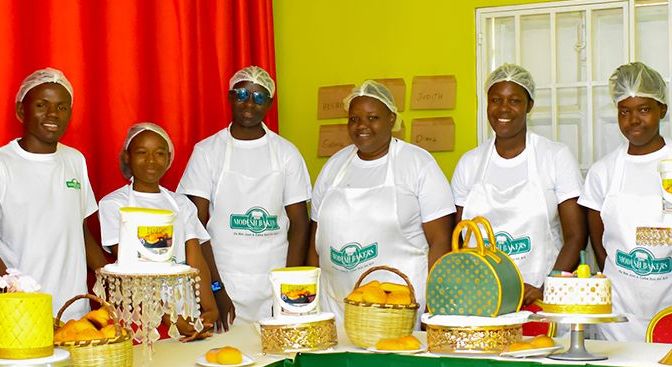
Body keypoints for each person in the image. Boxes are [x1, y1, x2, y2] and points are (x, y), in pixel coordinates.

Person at [0, 69, 108, 321]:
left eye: (62, 107)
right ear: (21, 110)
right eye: (41, 105)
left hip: (74, 310)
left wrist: (110, 277)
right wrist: (18, 297)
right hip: (22, 312)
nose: (52, 114)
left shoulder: (75, 160)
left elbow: (80, 230)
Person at [179, 66, 312, 325]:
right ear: (230, 97)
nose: (249, 103)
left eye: (259, 97)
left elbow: (300, 225)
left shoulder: (286, 153)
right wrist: (215, 288)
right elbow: (195, 226)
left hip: (274, 282)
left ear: (269, 104)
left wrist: (288, 290)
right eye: (241, 94)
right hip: (223, 278)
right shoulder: (207, 151)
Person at [310, 80, 455, 315]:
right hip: (335, 307)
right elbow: (315, 240)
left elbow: (441, 240)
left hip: (399, 310)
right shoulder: (334, 166)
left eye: (373, 118)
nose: (362, 125)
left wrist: (434, 307)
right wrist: (312, 305)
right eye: (354, 119)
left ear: (391, 119)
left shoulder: (418, 164)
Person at [579, 62, 672, 340]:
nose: (633, 120)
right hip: (618, 313)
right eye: (624, 111)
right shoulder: (603, 171)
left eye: (644, 110)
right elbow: (599, 243)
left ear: (662, 110)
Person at [450, 64, 586, 304]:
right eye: (495, 100)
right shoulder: (469, 164)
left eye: (514, 100)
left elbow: (576, 236)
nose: (503, 108)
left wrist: (547, 287)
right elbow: (459, 238)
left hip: (541, 300)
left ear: (529, 105)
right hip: (483, 298)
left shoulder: (554, 157)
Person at [98, 122, 219, 337]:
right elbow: (131, 270)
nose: (151, 160)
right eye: (141, 153)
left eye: (159, 153)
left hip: (187, 312)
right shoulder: (114, 205)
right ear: (127, 157)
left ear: (169, 158)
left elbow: (196, 261)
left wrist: (209, 309)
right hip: (144, 315)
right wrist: (170, 319)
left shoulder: (181, 204)